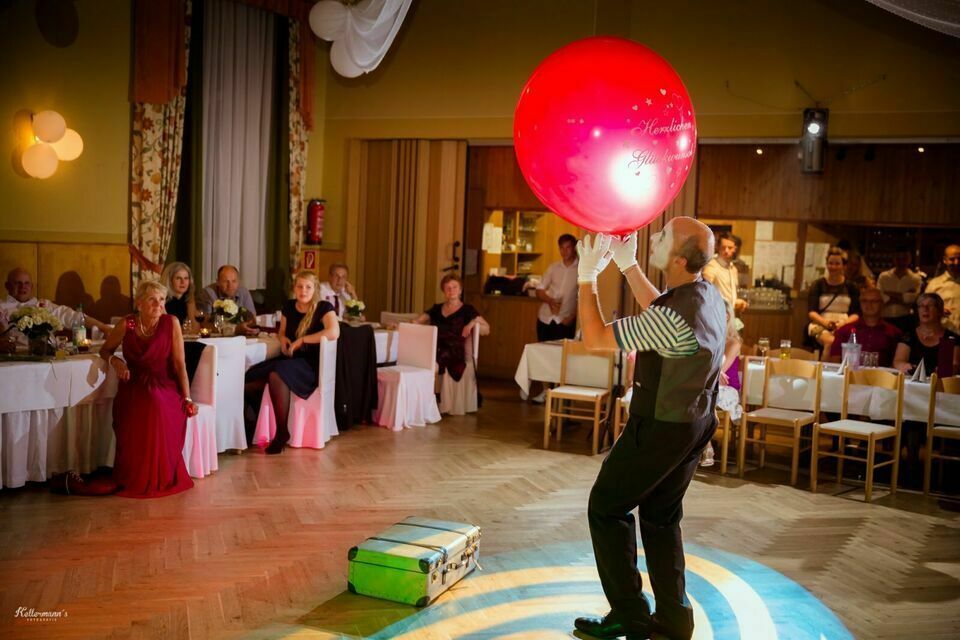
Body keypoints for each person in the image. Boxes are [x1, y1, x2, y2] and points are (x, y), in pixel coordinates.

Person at [573, 217, 726, 640]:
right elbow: (662, 309)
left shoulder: (672, 318)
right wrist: (628, 267)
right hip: (695, 423)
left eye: (661, 237)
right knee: (660, 519)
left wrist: (587, 278)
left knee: (606, 507)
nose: (650, 238)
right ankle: (675, 620)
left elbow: (595, 338)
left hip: (661, 427)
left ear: (677, 259)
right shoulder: (707, 295)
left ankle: (630, 614)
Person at [98, 281, 197, 498]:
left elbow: (180, 364)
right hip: (134, 383)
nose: (158, 304)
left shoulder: (171, 323)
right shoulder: (129, 324)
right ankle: (135, 473)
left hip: (164, 383)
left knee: (156, 402)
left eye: (161, 300)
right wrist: (116, 361)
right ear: (140, 303)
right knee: (142, 403)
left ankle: (161, 475)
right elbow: (105, 350)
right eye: (152, 299)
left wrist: (187, 398)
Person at [244, 271, 340, 453]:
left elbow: (334, 332)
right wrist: (282, 340)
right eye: (299, 286)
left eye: (308, 287)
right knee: (248, 380)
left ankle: (281, 433)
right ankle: (257, 423)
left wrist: (303, 340)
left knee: (275, 374)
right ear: (294, 288)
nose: (303, 290)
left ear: (315, 289)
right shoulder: (289, 306)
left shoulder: (324, 307)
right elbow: (282, 332)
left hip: (310, 365)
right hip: (290, 359)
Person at [411, 274, 490, 415]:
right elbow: (417, 321)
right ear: (444, 291)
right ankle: (421, 402)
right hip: (436, 346)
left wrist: (473, 322)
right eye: (448, 288)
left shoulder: (467, 310)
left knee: (436, 360)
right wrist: (402, 325)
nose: (451, 290)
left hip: (455, 350)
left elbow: (486, 329)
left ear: (460, 290)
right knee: (421, 357)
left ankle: (431, 402)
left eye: (454, 287)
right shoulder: (436, 308)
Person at [1, 267, 110, 344]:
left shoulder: (44, 305)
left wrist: (103, 327)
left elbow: (74, 317)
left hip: (47, 358)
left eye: (26, 283)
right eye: (17, 283)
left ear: (32, 286)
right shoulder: (1, 308)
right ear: (7, 286)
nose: (22, 287)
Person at [827, 287, 902, 367]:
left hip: (881, 377)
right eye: (864, 301)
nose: (869, 305)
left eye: (874, 301)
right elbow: (834, 362)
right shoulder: (844, 331)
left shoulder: (894, 333)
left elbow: (897, 364)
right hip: (850, 376)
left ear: (882, 304)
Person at [807, 247, 861, 354]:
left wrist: (844, 323)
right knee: (831, 343)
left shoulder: (851, 286)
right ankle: (826, 370)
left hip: (845, 324)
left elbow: (856, 313)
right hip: (821, 324)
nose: (833, 267)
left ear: (844, 266)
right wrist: (826, 323)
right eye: (830, 263)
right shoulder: (818, 284)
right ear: (826, 264)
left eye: (837, 263)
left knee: (852, 346)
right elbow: (812, 312)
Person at [893, 293, 960, 378]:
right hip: (912, 383)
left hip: (939, 386)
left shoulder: (951, 338)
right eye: (921, 306)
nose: (925, 309)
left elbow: (954, 367)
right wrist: (906, 367)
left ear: (939, 311)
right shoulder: (909, 335)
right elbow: (898, 361)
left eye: (930, 305)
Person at [536, 233, 580, 341]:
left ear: (574, 248)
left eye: (568, 247)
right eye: (561, 248)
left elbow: (582, 298)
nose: (564, 251)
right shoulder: (553, 267)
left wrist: (572, 318)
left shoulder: (580, 269)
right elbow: (539, 290)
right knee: (542, 354)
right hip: (545, 319)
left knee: (561, 356)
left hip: (564, 321)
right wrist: (550, 300)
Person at [197, 265, 258, 335]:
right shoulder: (207, 293)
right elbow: (205, 324)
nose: (230, 285)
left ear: (238, 281)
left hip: (240, 337)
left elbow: (252, 319)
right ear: (218, 282)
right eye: (226, 281)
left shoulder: (244, 292)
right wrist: (235, 329)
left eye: (234, 281)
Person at [878, 247, 922, 335]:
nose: (901, 261)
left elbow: (912, 302)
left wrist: (889, 294)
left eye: (904, 258)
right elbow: (880, 298)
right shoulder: (884, 277)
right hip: (885, 317)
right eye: (898, 258)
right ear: (894, 259)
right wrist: (903, 296)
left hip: (905, 319)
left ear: (910, 259)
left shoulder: (915, 279)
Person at [702, 231, 747, 313]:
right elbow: (704, 293)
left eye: (729, 248)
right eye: (723, 247)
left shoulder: (733, 268)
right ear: (718, 248)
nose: (726, 251)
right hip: (717, 313)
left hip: (730, 313)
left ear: (735, 249)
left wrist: (735, 301)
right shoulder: (711, 266)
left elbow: (728, 293)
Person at [925, 244, 960, 334]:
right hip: (944, 333)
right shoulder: (934, 284)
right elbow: (925, 309)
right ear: (945, 260)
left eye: (959, 258)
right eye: (952, 259)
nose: (957, 262)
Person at [160, 262, 199, 326]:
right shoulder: (161, 299)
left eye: (186, 278)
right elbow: (166, 327)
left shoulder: (188, 298)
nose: (183, 282)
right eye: (178, 278)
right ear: (169, 280)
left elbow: (195, 326)